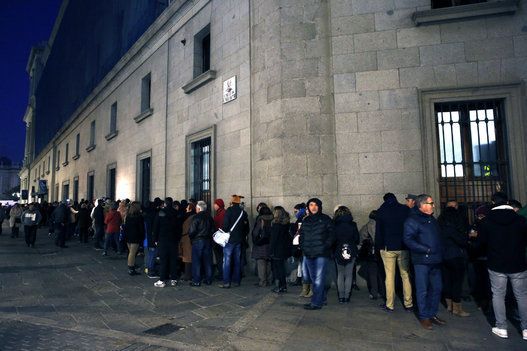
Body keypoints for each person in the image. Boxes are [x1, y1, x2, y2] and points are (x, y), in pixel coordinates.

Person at [478, 192, 527, 340]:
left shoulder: (487, 221)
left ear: (493, 202)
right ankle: (526, 328)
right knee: (522, 295)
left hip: (496, 263)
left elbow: (481, 242)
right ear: (507, 202)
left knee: (498, 295)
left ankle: (501, 327)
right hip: (518, 263)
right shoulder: (520, 220)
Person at [404, 194, 445, 330]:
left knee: (436, 288)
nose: (433, 205)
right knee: (422, 290)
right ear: (421, 205)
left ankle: (432, 313)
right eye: (430, 203)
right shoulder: (412, 220)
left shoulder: (431, 219)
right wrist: (426, 249)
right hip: (422, 260)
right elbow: (408, 239)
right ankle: (424, 316)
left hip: (435, 260)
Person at [376, 193, 413, 313]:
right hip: (403, 247)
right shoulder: (405, 209)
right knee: (405, 275)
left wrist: (379, 247)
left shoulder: (382, 211)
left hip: (388, 248)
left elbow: (379, 232)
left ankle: (390, 304)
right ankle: (408, 304)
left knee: (389, 277)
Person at [299, 198, 335, 310]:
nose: (313, 207)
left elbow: (332, 234)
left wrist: (325, 246)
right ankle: (322, 298)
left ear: (319, 206)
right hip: (308, 253)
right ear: (308, 207)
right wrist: (303, 246)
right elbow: (302, 235)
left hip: (321, 254)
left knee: (318, 279)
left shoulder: (325, 219)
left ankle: (316, 303)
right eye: (311, 205)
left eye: (315, 205)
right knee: (314, 278)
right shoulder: (306, 220)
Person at [438, 201, 470, 317]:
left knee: (447, 280)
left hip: (443, 256)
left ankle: (449, 305)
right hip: (455, 255)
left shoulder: (440, 223)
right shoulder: (455, 225)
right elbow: (461, 241)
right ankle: (457, 308)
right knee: (457, 282)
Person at [219, 195, 250, 288]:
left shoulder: (229, 211)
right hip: (239, 240)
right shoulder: (243, 213)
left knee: (227, 261)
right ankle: (236, 281)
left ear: (232, 202)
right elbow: (246, 228)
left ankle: (226, 282)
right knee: (237, 261)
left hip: (229, 240)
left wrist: (222, 232)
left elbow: (225, 225)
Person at [153, 197, 181, 288]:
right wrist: (178, 238)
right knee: (173, 260)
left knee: (163, 260)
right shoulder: (176, 213)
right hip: (173, 240)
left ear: (165, 203)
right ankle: (173, 279)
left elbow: (156, 227)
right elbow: (179, 228)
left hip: (163, 240)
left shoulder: (161, 213)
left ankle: (162, 280)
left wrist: (155, 239)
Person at [333, 205, 359, 303]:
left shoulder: (335, 225)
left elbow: (333, 239)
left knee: (340, 274)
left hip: (338, 250)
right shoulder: (353, 224)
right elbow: (357, 239)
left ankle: (341, 296)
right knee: (349, 274)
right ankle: (347, 296)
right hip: (351, 249)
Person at [188, 201, 215, 286]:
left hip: (198, 241)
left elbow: (192, 231)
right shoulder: (210, 217)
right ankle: (208, 279)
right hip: (208, 241)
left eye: (196, 208)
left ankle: (196, 280)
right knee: (208, 261)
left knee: (196, 261)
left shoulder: (196, 217)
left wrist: (192, 238)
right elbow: (213, 230)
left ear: (199, 208)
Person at [359, 210, 383, 300]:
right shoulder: (382, 226)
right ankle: (382, 291)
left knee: (372, 274)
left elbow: (361, 240)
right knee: (381, 273)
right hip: (381, 252)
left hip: (371, 253)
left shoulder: (366, 227)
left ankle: (374, 293)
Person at [269, 206, 292, 293]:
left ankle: (279, 286)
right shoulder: (286, 224)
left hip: (277, 250)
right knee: (282, 268)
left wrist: (271, 250)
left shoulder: (276, 225)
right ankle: (283, 286)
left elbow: (273, 240)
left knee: (278, 269)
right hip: (284, 249)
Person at [251, 205, 273, 287]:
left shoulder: (261, 219)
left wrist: (254, 239)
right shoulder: (272, 218)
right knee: (268, 263)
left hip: (261, 244)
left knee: (261, 263)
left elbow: (256, 232)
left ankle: (263, 282)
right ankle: (269, 280)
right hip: (270, 243)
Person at [124, 202, 145, 276]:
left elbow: (125, 227)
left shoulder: (128, 216)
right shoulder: (139, 217)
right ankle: (131, 268)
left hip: (128, 236)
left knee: (131, 252)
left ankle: (131, 265)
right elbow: (141, 229)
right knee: (132, 253)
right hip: (135, 237)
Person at [180, 202, 196, 281]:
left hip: (187, 238)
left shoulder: (187, 217)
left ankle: (188, 274)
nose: (186, 208)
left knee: (187, 257)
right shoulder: (194, 216)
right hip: (190, 238)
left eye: (187, 207)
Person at [212, 198, 226, 280]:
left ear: (219, 205)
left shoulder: (221, 213)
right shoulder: (220, 212)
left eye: (215, 204)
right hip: (220, 239)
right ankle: (222, 273)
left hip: (219, 239)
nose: (214, 205)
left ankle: (222, 273)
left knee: (220, 257)